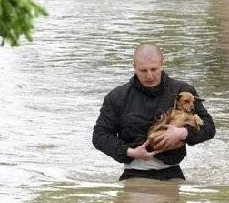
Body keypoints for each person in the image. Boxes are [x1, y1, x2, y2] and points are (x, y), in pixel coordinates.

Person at [92, 43, 215, 181]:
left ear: (163, 65)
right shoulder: (117, 96)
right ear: (134, 67)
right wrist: (131, 152)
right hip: (133, 173)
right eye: (143, 70)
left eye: (154, 69)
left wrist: (182, 133)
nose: (149, 76)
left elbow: (209, 128)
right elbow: (99, 136)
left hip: (172, 173)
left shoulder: (183, 91)